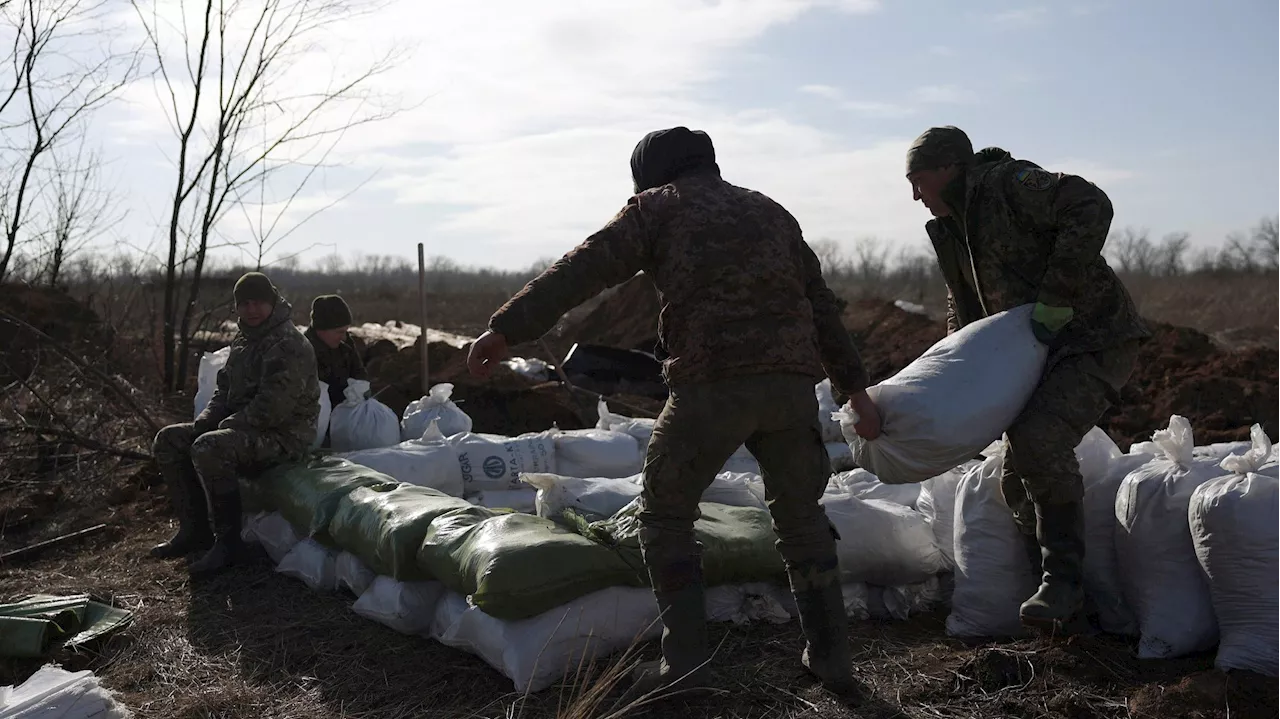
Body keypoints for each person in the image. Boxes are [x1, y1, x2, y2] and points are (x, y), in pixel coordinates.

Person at [467, 127, 881, 697]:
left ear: (651, 174)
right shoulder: (771, 212)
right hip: (790, 390)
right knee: (802, 517)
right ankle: (832, 660)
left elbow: (582, 270)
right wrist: (855, 391)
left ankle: (683, 666)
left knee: (664, 516)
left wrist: (504, 329)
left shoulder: (656, 208)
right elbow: (823, 310)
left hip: (711, 387)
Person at [904, 126, 1151, 632]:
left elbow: (1090, 204)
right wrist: (962, 371)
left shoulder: (1007, 185)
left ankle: (1062, 579)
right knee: (1015, 476)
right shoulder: (952, 229)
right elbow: (965, 306)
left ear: (949, 168)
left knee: (1039, 438)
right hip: (1033, 353)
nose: (915, 195)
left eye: (919, 180)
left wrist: (1058, 295)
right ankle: (1063, 602)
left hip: (1092, 338)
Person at [151, 272, 320, 576]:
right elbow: (224, 390)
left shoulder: (288, 343)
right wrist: (206, 420)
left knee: (210, 447)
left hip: (284, 436)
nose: (251, 310)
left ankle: (229, 544)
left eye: (258, 303)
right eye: (244, 304)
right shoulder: (244, 339)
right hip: (246, 427)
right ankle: (195, 529)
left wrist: (224, 426)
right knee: (169, 439)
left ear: (271, 303)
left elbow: (273, 409)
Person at [304, 294, 368, 408]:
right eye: (339, 332)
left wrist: (360, 389)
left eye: (345, 331)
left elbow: (359, 372)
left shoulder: (345, 345)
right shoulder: (303, 351)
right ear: (321, 329)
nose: (343, 337)